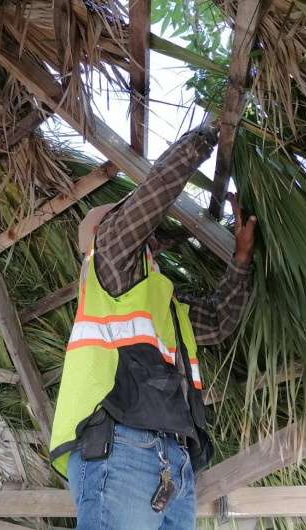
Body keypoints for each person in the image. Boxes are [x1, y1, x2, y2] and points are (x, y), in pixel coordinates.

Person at [49, 123, 256, 529]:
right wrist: (207, 135)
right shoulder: (107, 257)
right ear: (102, 231)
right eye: (120, 218)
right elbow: (152, 196)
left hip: (174, 456)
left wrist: (242, 258)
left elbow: (218, 320)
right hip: (119, 443)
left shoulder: (163, 305)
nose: (149, 237)